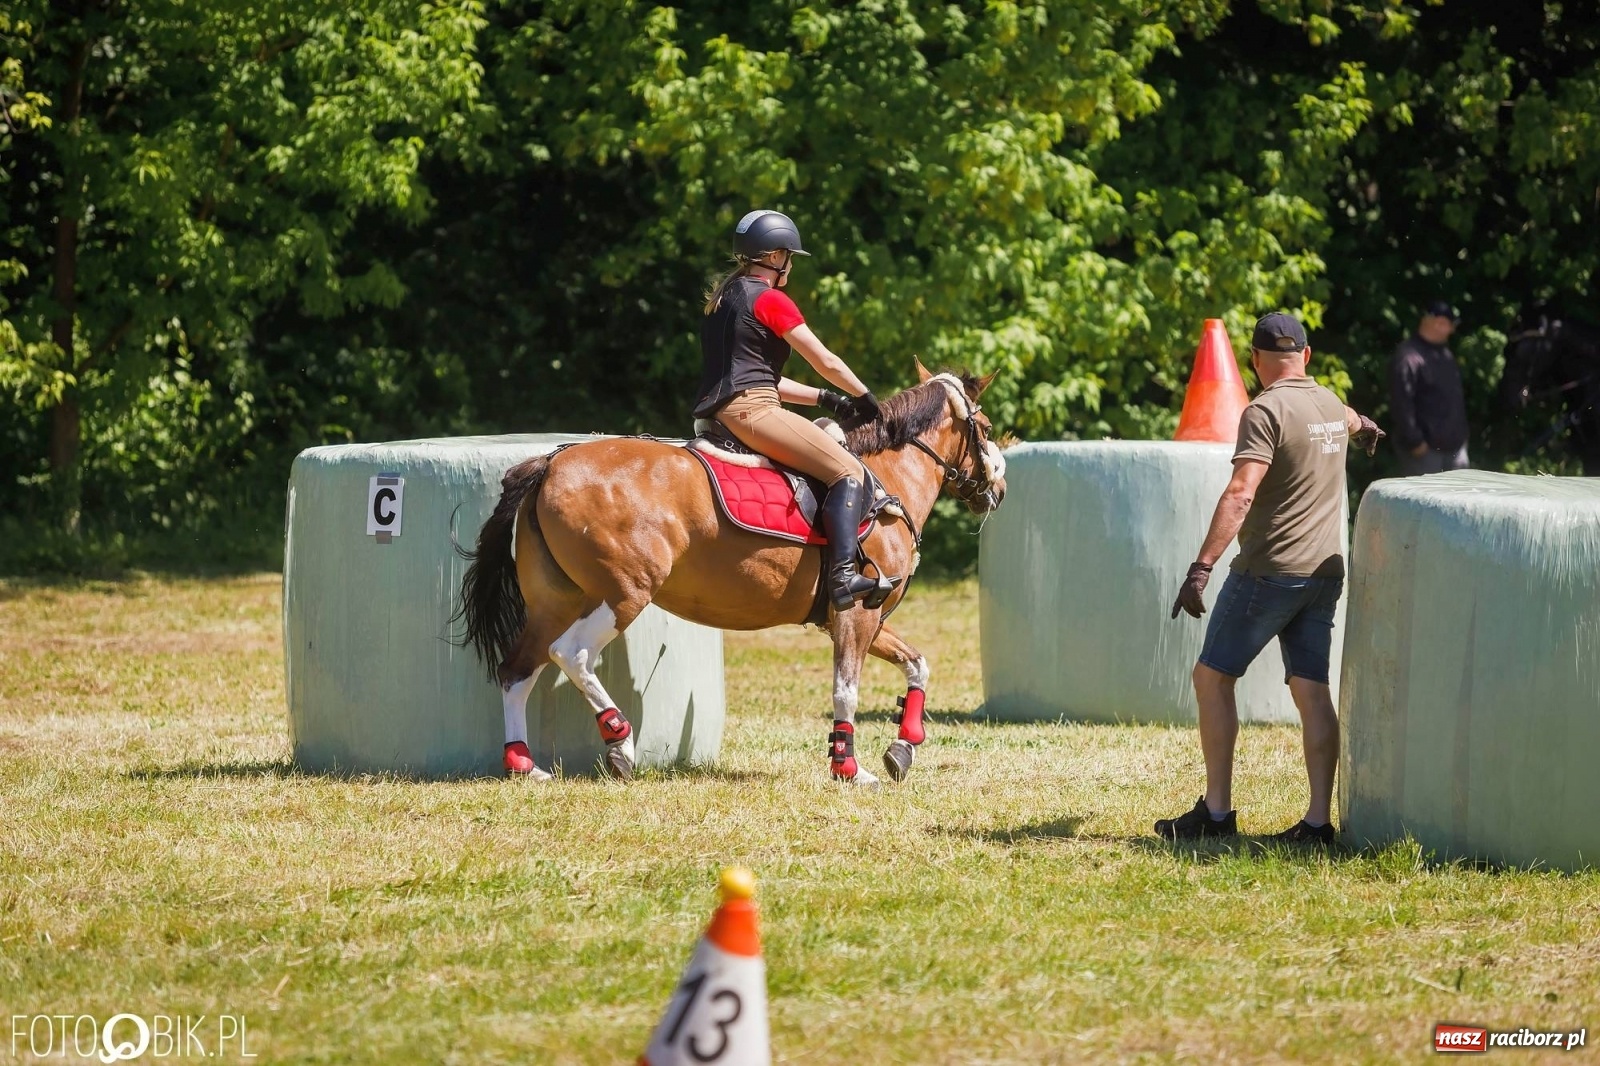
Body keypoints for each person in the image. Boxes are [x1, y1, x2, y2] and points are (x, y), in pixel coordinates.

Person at [1160, 312, 1385, 845]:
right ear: (1306, 357)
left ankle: (1216, 815)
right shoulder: (1329, 403)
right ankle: (1316, 823)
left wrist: (1202, 567)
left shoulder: (1263, 411)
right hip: (1326, 573)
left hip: (1270, 572)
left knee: (1212, 679)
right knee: (1311, 690)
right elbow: (1351, 419)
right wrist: (1367, 426)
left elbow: (1241, 492)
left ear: (1257, 362)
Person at [694, 209, 895, 610]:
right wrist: (863, 395)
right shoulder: (770, 299)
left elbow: (758, 376)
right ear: (774, 257)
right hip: (753, 412)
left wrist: (825, 399)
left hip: (722, 412)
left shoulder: (723, 300)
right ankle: (841, 577)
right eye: (789, 256)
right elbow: (826, 360)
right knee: (848, 471)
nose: (790, 264)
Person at [1390, 299, 1470, 474]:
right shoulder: (1409, 357)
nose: (1451, 330)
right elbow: (1401, 403)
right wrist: (1415, 442)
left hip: (1456, 450)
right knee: (1426, 501)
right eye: (1449, 324)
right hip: (1426, 453)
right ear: (1438, 322)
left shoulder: (1445, 355)